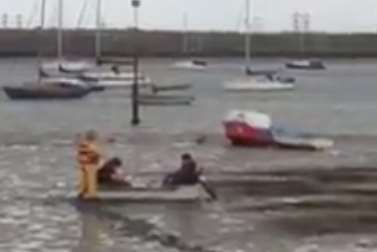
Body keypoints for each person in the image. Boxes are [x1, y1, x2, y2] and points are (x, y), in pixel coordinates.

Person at [77, 130, 103, 198]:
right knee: (91, 180)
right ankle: (91, 194)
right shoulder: (91, 145)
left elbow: (80, 154)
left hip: (83, 164)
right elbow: (96, 154)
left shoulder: (82, 144)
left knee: (83, 179)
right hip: (91, 164)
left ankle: (82, 191)